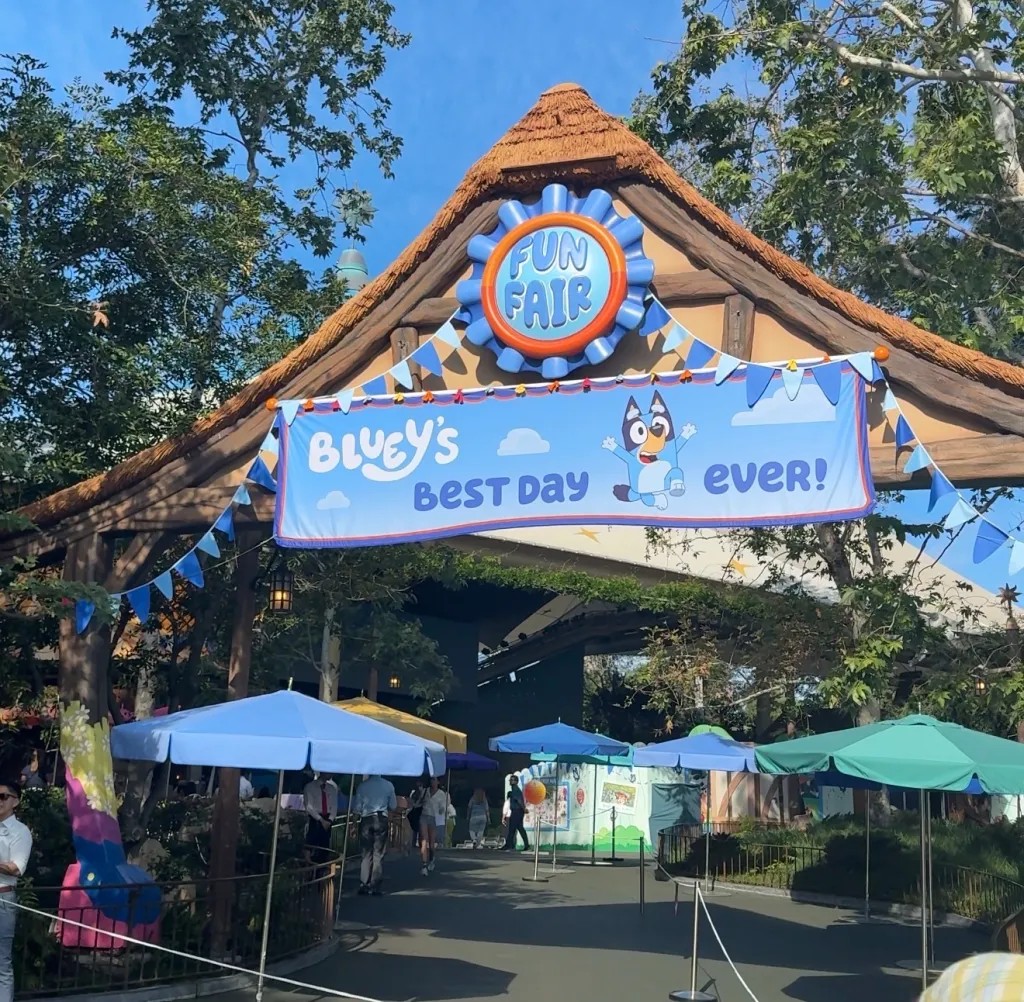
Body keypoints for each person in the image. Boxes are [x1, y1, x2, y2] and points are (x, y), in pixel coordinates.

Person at [0, 779, 32, 1002]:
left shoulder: (20, 832)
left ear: (15, 802)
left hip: (3, 899)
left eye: (3, 797)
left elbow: (15, 868)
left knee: (1, 962)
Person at [353, 774, 396, 896]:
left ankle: (364, 883)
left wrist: (354, 823)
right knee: (378, 853)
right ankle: (375, 884)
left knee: (366, 852)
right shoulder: (388, 785)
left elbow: (357, 807)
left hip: (366, 818)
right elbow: (393, 805)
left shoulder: (362, 786)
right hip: (381, 818)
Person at [302, 772, 338, 864]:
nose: (331, 774)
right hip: (315, 818)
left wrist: (330, 820)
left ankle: (322, 865)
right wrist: (321, 820)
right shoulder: (310, 787)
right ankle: (309, 864)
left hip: (327, 818)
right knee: (311, 842)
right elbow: (309, 806)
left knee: (324, 844)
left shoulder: (332, 788)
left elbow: (334, 806)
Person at [419, 776, 447, 876]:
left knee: (431, 843)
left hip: (434, 818)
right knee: (424, 840)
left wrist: (441, 809)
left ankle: (431, 859)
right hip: (424, 816)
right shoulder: (425, 791)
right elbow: (419, 802)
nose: (432, 782)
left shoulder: (441, 794)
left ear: (438, 782)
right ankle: (424, 865)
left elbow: (443, 807)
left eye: (434, 780)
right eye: (431, 779)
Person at [502, 775, 529, 852]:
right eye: (510, 780)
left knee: (512, 828)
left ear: (516, 781)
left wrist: (524, 809)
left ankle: (509, 845)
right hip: (517, 811)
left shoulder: (515, 790)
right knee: (518, 828)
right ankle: (523, 845)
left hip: (517, 811)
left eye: (512, 780)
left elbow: (519, 800)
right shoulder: (514, 790)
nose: (510, 781)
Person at [407, 778, 426, 850]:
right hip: (415, 811)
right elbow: (412, 801)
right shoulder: (414, 792)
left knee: (421, 828)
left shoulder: (425, 792)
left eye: (420, 785)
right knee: (415, 828)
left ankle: (420, 843)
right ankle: (414, 842)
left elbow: (423, 801)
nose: (418, 786)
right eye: (417, 785)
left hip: (422, 811)